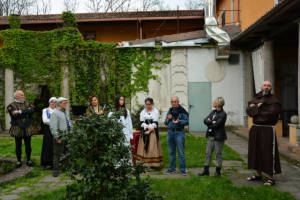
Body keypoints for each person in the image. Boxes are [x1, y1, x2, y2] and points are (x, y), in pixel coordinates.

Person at [246, 81, 281, 186]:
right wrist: (258, 107)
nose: (266, 87)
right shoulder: (256, 97)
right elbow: (249, 111)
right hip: (256, 129)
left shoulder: (274, 100)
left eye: (269, 85)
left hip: (267, 129)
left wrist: (255, 108)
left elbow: (271, 115)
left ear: (271, 88)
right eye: (265, 85)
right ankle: (258, 174)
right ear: (261, 87)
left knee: (268, 153)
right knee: (256, 152)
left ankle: (271, 177)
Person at [199, 97, 227, 177]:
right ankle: (206, 170)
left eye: (214, 102)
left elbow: (217, 124)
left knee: (218, 153)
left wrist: (210, 121)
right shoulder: (213, 112)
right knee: (208, 153)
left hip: (218, 136)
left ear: (218, 104)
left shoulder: (223, 114)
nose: (213, 102)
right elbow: (205, 120)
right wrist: (212, 121)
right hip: (211, 135)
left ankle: (218, 171)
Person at [7, 90, 35, 168]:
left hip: (27, 127)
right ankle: (18, 161)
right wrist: (26, 112)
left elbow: (32, 111)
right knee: (18, 145)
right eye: (22, 95)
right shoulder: (11, 105)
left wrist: (20, 111)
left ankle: (28, 160)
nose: (23, 96)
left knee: (28, 145)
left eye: (23, 95)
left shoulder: (28, 103)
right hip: (17, 128)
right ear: (16, 96)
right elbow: (14, 116)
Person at [164, 97, 189, 176]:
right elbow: (165, 123)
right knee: (171, 152)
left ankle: (183, 170)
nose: (173, 103)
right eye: (172, 102)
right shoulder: (170, 110)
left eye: (175, 101)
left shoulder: (182, 111)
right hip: (170, 132)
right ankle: (172, 169)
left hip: (179, 133)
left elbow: (187, 121)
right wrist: (168, 119)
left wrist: (180, 121)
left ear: (178, 102)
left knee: (181, 152)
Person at [136, 98, 163, 168]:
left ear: (152, 104)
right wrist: (147, 128)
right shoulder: (143, 112)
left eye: (149, 104)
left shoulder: (155, 111)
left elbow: (155, 123)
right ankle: (145, 164)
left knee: (152, 148)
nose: (148, 106)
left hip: (153, 133)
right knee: (144, 148)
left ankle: (153, 164)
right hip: (145, 132)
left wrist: (150, 130)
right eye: (146, 104)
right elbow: (142, 123)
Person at [49, 97, 72, 177]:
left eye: (66, 103)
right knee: (57, 154)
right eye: (64, 103)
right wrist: (57, 137)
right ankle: (55, 170)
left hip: (68, 136)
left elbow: (69, 123)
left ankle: (66, 168)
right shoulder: (55, 113)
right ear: (59, 104)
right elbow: (53, 127)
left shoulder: (66, 112)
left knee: (67, 153)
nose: (66, 104)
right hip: (60, 137)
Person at [40, 97, 57, 170]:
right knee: (47, 145)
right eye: (52, 102)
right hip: (47, 130)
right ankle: (45, 163)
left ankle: (53, 163)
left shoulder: (58, 110)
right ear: (49, 103)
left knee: (54, 146)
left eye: (54, 102)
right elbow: (45, 120)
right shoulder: (45, 110)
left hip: (56, 129)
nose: (53, 103)